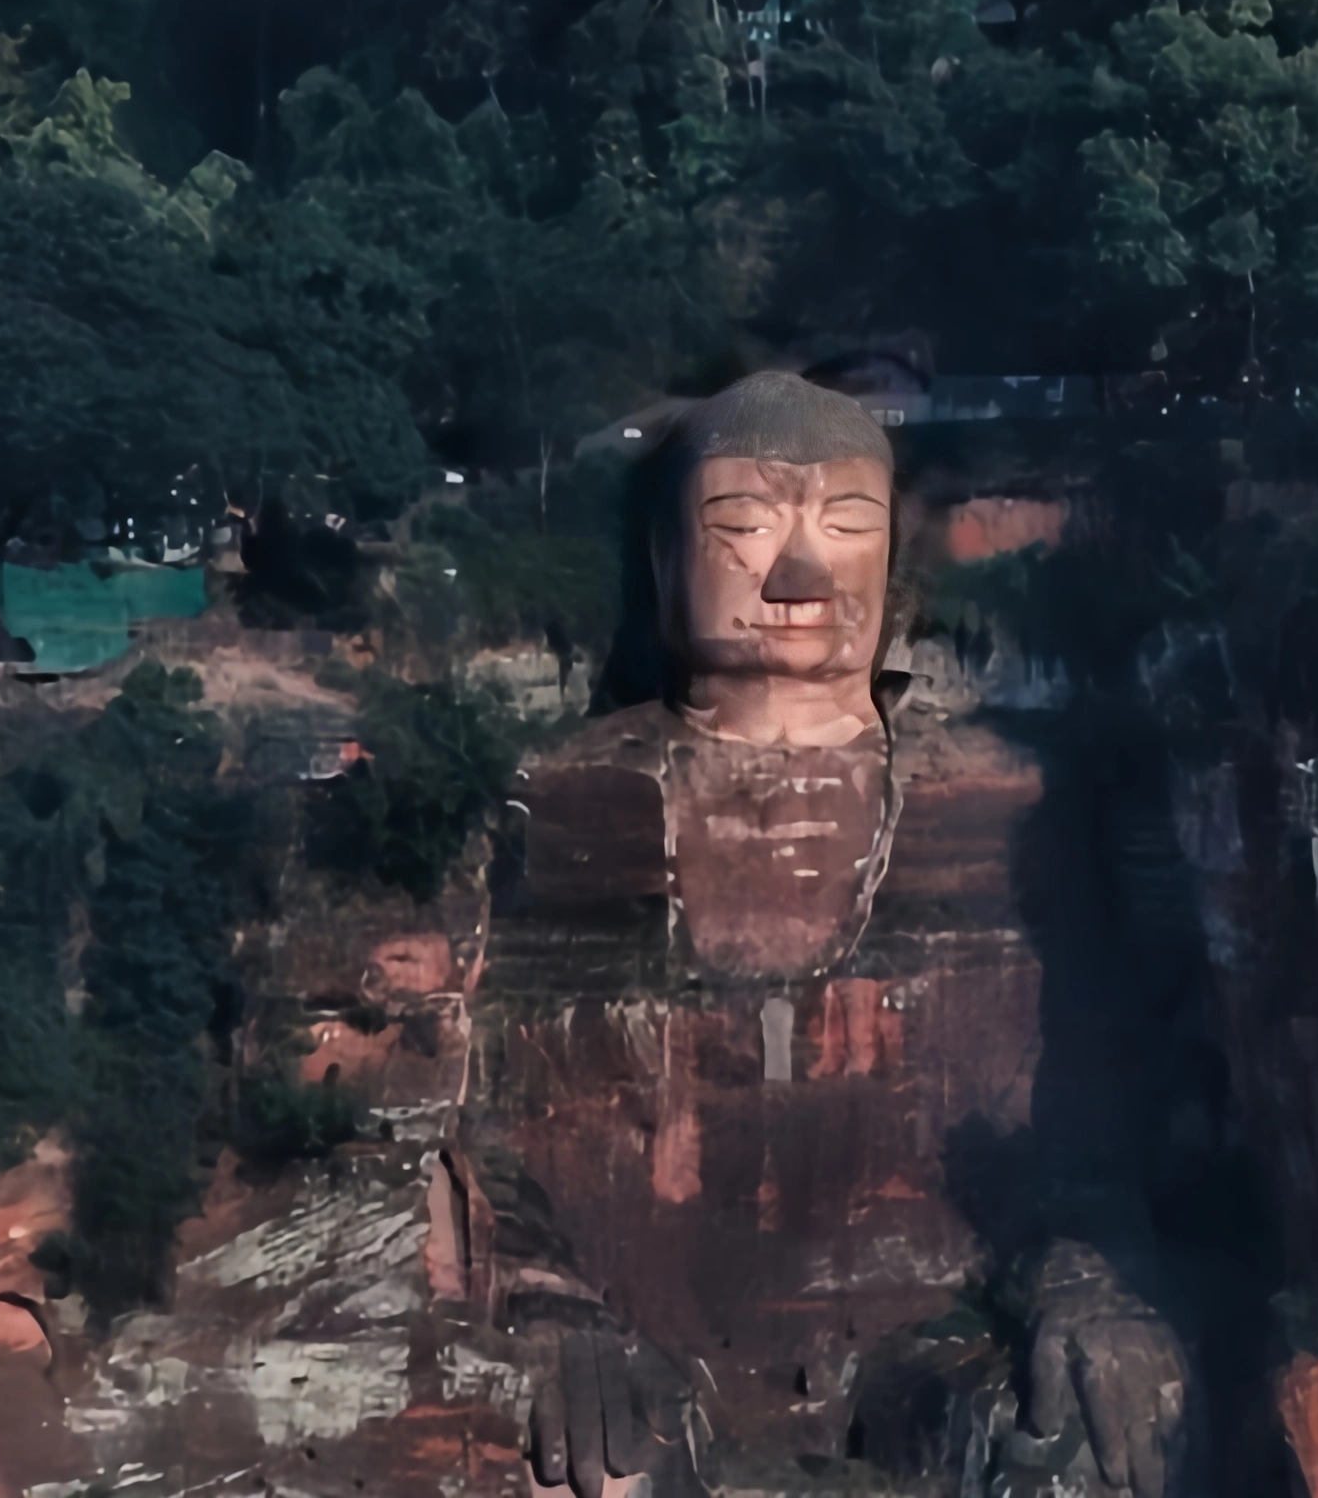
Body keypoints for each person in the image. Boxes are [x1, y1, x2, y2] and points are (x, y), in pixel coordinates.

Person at [440, 372, 1190, 1498]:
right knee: (544, 1453)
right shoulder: (560, 799)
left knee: (1095, 1435)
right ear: (661, 561)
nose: (797, 576)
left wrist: (1089, 1284)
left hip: (928, 1341)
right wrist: (544, 1299)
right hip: (635, 1342)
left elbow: (1069, 1134)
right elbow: (461, 1120)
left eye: (846, 527)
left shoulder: (999, 798)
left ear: (893, 561)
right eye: (741, 527)